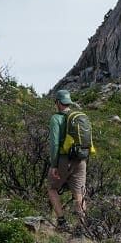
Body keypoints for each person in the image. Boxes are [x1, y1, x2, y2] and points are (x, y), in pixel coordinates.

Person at [47, 89, 87, 231]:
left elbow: (55, 144)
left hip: (65, 160)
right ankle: (82, 226)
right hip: (81, 160)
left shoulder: (56, 118)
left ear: (58, 102)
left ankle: (62, 222)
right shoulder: (78, 116)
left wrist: (54, 165)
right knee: (78, 192)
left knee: (52, 188)